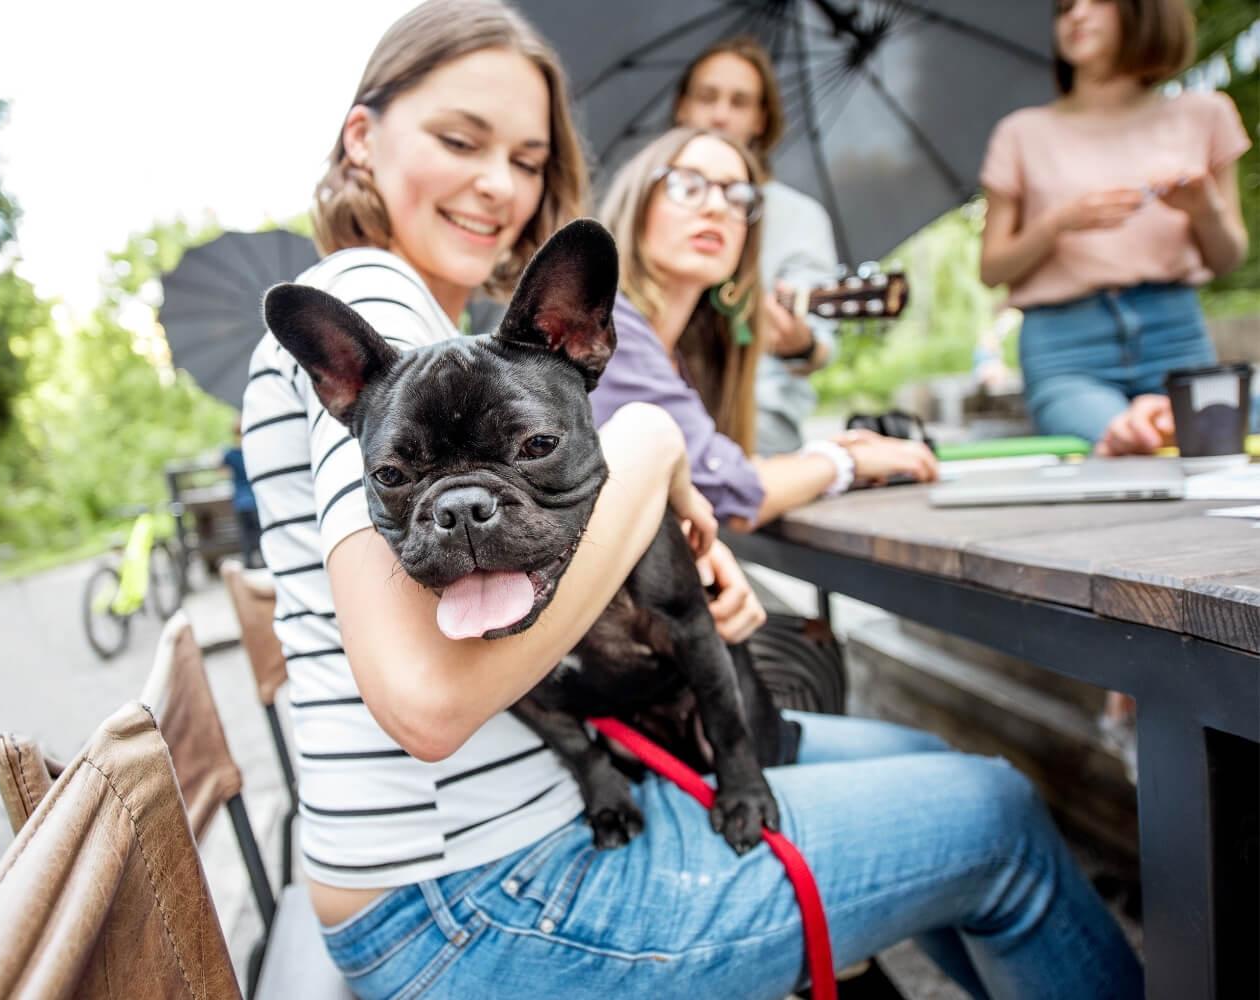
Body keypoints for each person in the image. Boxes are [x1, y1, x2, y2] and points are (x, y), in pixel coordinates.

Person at [243, 4, 1141, 997]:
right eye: (460, 140)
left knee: (921, 756)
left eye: (531, 160)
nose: (498, 183)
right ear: (362, 138)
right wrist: (652, 445)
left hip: (512, 837)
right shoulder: (370, 296)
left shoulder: (446, 331)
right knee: (999, 813)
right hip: (480, 899)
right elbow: (424, 701)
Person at [592, 126, 939, 531]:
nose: (717, 208)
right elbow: (724, 491)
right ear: (637, 204)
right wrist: (845, 460)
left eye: (737, 195)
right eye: (688, 186)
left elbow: (715, 471)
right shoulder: (608, 326)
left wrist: (826, 455)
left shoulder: (680, 353)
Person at [979, 0, 1249, 456]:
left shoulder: (1205, 116)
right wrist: (1058, 224)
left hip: (1175, 330)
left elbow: (1228, 258)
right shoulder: (1021, 133)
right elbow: (991, 269)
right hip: (1064, 345)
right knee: (1127, 444)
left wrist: (1204, 211)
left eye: (1095, 2)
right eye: (1063, 8)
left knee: (1204, 457)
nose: (1076, 16)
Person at [670, 36, 840, 456]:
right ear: (683, 106)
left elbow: (818, 347)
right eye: (707, 97)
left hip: (758, 428)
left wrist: (797, 341)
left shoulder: (800, 218)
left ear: (762, 118)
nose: (720, 114)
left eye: (739, 102)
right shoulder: (648, 208)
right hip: (658, 413)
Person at [221, 419, 261, 568]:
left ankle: (249, 562)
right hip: (255, 498)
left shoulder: (230, 453)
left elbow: (221, 470)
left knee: (245, 534)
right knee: (259, 532)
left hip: (240, 499)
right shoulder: (252, 449)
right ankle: (263, 560)